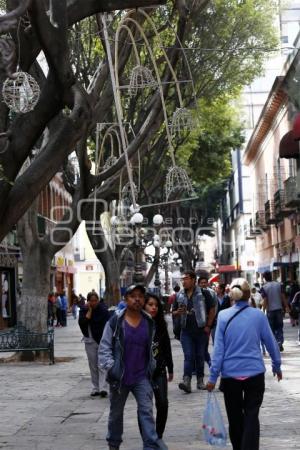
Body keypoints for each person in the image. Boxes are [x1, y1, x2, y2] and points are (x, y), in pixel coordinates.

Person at [207, 278, 282, 450]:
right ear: (248, 295)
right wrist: (276, 366)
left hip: (230, 376)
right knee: (251, 416)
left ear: (232, 295)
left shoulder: (223, 315)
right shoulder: (258, 316)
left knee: (235, 418)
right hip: (254, 375)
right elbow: (271, 342)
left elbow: (218, 350)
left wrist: (212, 377)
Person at [99, 284, 161, 450]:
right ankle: (114, 444)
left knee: (147, 412)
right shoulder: (116, 322)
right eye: (133, 296)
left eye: (140, 296)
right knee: (116, 415)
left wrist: (153, 366)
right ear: (126, 299)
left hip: (142, 376)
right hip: (120, 377)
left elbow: (151, 347)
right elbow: (104, 348)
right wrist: (111, 368)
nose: (137, 299)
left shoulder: (148, 321)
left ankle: (150, 446)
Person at [172, 270, 215, 393]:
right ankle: (187, 381)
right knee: (188, 356)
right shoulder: (179, 295)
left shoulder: (204, 293)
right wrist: (178, 313)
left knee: (200, 355)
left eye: (186, 278)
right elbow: (173, 312)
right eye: (183, 279)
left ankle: (200, 381)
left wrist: (208, 325)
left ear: (193, 280)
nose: (183, 281)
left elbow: (212, 310)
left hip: (201, 331)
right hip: (186, 331)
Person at [144, 293, 173, 442]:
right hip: (142, 372)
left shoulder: (161, 324)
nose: (153, 307)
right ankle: (148, 436)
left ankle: (158, 435)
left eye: (155, 305)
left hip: (159, 369)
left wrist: (171, 367)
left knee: (162, 403)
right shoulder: (138, 323)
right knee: (145, 407)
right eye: (150, 304)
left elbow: (166, 346)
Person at [78, 291, 110, 397]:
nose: (94, 303)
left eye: (95, 301)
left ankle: (103, 388)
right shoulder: (84, 310)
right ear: (88, 301)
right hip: (89, 340)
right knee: (93, 365)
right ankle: (95, 387)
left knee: (102, 365)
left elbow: (108, 325)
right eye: (91, 301)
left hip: (102, 340)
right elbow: (83, 322)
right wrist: (90, 311)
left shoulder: (103, 310)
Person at [261, 271, 289, 351]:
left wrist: (263, 311)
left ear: (264, 278)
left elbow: (265, 300)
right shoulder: (278, 285)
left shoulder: (264, 287)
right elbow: (283, 297)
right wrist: (287, 307)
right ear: (271, 276)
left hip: (270, 311)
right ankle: (279, 342)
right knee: (279, 327)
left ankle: (274, 344)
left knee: (271, 329)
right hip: (279, 310)